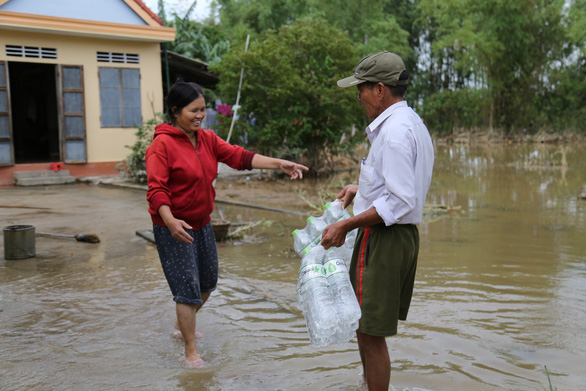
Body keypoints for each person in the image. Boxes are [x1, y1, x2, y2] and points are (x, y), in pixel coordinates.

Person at [145, 80, 308, 369]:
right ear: (175, 111)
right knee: (187, 290)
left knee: (207, 283)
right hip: (174, 226)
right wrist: (170, 222)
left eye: (202, 109)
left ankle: (180, 324)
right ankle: (190, 351)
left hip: (202, 223)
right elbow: (157, 190)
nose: (200, 115)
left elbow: (239, 156)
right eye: (193, 110)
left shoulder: (206, 139)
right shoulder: (162, 145)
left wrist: (279, 163)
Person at [320, 51, 434, 391]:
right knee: (363, 324)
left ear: (380, 90)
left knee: (369, 331)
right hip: (399, 236)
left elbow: (401, 200)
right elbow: (400, 184)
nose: (359, 96)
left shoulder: (395, 132)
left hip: (384, 237)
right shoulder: (410, 122)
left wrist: (345, 225)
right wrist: (363, 187)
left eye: (362, 88)